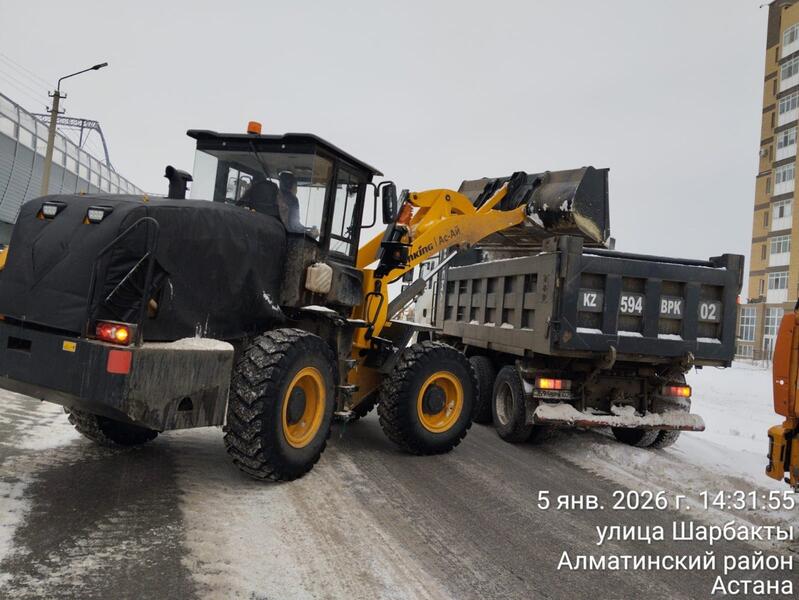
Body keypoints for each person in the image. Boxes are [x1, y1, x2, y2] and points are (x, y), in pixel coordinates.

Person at [278, 171, 319, 238]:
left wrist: (306, 230)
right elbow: (294, 226)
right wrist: (310, 234)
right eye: (296, 186)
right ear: (292, 186)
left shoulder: (275, 196)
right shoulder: (292, 200)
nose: (297, 190)